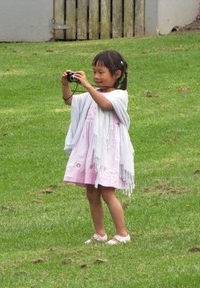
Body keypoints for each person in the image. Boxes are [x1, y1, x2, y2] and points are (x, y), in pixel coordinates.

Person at [61, 50, 135, 245]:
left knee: (107, 191)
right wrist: (65, 85)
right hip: (91, 150)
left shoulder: (120, 95)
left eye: (101, 72)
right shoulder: (92, 94)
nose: (95, 77)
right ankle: (100, 233)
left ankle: (122, 234)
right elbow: (71, 101)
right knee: (92, 192)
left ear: (116, 74)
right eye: (94, 72)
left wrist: (86, 85)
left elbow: (104, 104)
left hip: (108, 151)